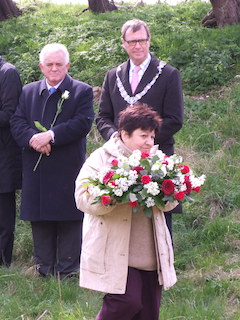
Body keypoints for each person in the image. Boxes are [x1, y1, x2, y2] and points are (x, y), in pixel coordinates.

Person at [75, 103, 178, 320]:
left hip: (151, 253)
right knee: (126, 302)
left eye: (152, 136)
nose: (149, 142)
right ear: (124, 134)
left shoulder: (157, 160)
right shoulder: (102, 158)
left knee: (148, 313)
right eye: (144, 136)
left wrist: (168, 194)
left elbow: (170, 204)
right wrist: (113, 195)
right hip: (116, 251)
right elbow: (82, 198)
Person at [10, 43, 94, 278]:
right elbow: (17, 122)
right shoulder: (28, 91)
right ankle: (44, 269)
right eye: (49, 64)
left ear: (68, 65)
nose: (54, 68)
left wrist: (52, 135)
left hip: (67, 165)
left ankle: (68, 271)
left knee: (69, 217)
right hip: (36, 165)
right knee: (40, 217)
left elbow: (82, 123)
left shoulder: (81, 91)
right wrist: (33, 139)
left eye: (59, 64)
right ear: (41, 66)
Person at [96, 19, 184, 236]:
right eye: (132, 41)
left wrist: (144, 140)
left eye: (142, 40)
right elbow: (103, 117)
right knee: (123, 223)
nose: (138, 46)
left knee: (160, 224)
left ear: (149, 41)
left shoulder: (168, 74)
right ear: (123, 43)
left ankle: (162, 268)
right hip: (119, 159)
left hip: (157, 158)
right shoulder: (112, 75)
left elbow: (175, 119)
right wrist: (118, 140)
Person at [0, 56, 22, 267]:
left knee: (3, 213)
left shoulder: (8, 72)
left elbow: (10, 114)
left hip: (4, 156)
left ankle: (3, 260)